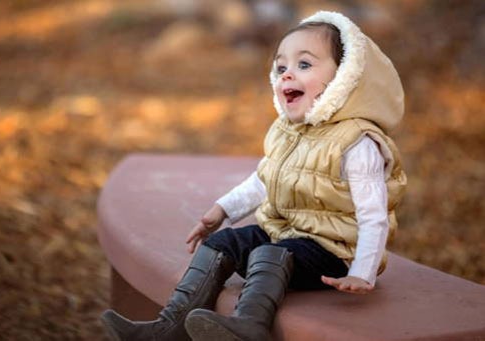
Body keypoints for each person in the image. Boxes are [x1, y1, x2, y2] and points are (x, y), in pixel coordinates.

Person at [101, 10, 407, 341]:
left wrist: (362, 272)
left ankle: (250, 326)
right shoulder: (290, 132)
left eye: (304, 65)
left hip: (335, 254)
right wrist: (222, 210)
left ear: (346, 78)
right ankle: (171, 325)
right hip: (289, 240)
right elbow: (265, 179)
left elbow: (373, 216)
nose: (287, 74)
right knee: (224, 242)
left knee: (272, 252)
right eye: (281, 67)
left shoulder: (356, 143)